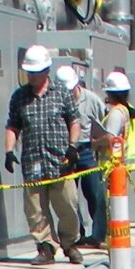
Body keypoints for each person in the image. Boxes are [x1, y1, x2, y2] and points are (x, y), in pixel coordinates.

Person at [6, 44, 81, 264]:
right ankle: (45, 247)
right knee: (35, 210)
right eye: (29, 72)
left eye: (36, 73)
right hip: (33, 161)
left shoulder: (61, 94)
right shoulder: (19, 97)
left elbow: (74, 121)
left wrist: (73, 146)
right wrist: (9, 150)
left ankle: (70, 244)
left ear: (46, 71)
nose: (32, 77)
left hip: (60, 161)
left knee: (67, 204)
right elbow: (13, 125)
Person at [55, 64, 108, 248]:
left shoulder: (92, 100)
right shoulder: (58, 100)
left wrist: (100, 142)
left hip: (87, 149)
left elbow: (106, 122)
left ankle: (99, 234)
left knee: (94, 193)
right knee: (70, 197)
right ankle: (77, 235)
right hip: (67, 150)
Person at [99, 71, 135, 178]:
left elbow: (110, 138)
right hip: (121, 162)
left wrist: (95, 142)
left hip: (112, 164)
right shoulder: (128, 109)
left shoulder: (116, 113)